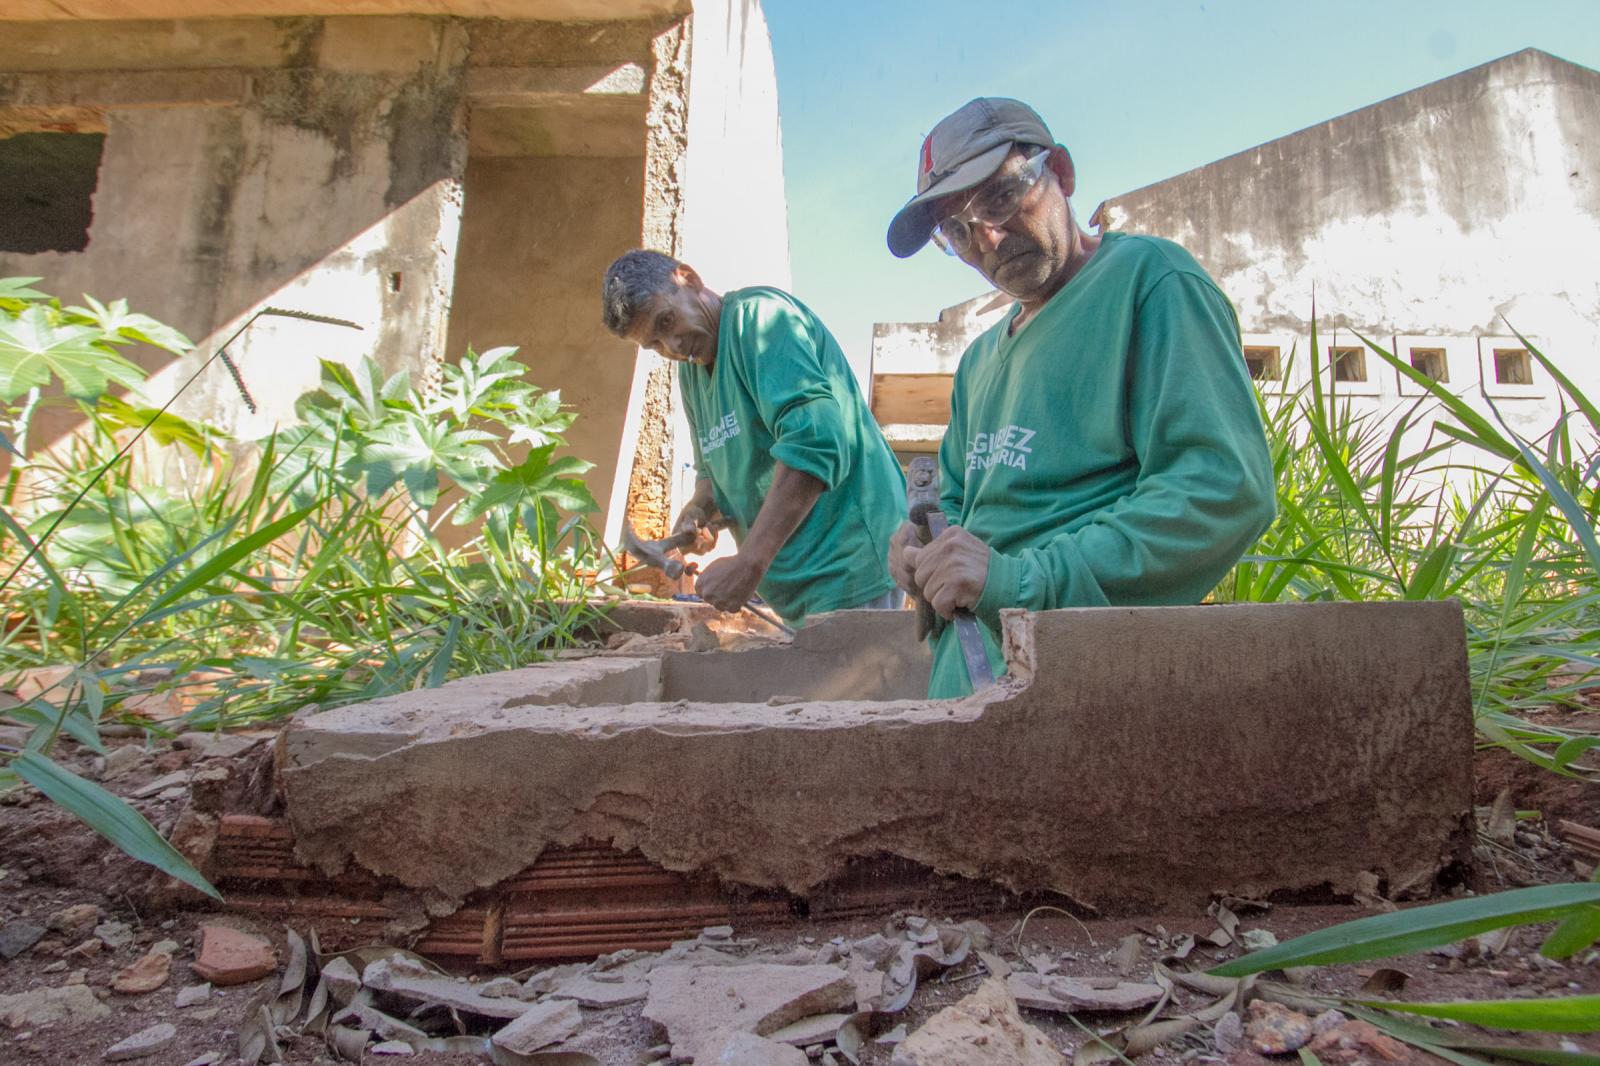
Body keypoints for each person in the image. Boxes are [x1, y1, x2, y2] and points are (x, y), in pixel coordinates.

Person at [884, 98, 1276, 698]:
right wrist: (925, 553)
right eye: (957, 231)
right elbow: (959, 507)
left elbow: (1220, 488)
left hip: (1081, 695)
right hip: (966, 689)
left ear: (1061, 172)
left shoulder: (1150, 282)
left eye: (998, 197)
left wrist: (1019, 584)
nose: (987, 237)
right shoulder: (978, 363)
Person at [601, 250, 907, 626]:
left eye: (667, 321)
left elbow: (815, 442)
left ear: (689, 279)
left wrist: (749, 563)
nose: (673, 347)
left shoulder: (761, 320)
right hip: (795, 582)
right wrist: (699, 512)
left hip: (847, 560)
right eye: (655, 344)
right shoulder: (690, 374)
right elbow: (711, 475)